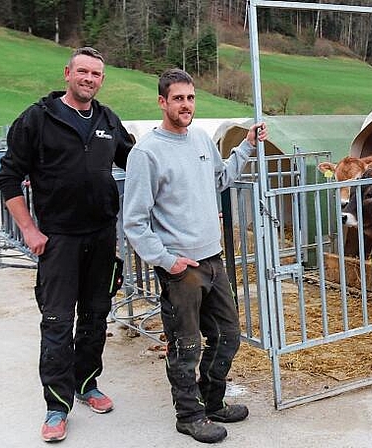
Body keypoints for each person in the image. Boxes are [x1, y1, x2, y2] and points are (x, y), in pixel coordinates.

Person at [0, 47, 134, 442]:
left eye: (96, 74)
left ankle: (87, 384)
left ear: (102, 80)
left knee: (95, 315)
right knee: (57, 321)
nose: (89, 79)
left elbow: (139, 161)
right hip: (59, 239)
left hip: (102, 235)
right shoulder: (38, 119)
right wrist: (29, 229)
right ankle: (57, 405)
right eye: (82, 72)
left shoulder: (108, 120)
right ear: (67, 73)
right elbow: (9, 177)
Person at [122, 68, 267, 444]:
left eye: (190, 98)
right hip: (181, 269)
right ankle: (188, 415)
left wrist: (247, 146)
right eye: (178, 98)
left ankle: (212, 400)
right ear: (162, 102)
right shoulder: (147, 153)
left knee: (228, 336)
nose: (186, 105)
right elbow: (135, 222)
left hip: (212, 259)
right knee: (186, 345)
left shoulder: (201, 139)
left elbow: (220, 180)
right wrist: (166, 260)